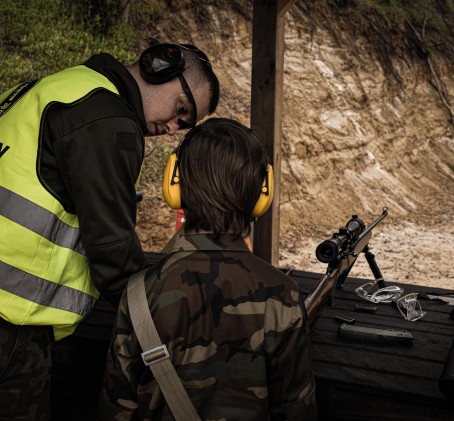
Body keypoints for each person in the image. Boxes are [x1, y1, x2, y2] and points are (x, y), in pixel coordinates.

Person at [0, 43, 219, 421]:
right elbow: (112, 246)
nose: (171, 127)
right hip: (8, 324)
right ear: (158, 67)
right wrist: (158, 322)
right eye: (180, 109)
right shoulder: (110, 121)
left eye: (184, 126)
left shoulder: (60, 87)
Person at [99, 118, 318, 420]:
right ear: (262, 192)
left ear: (174, 183)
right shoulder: (283, 295)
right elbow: (296, 411)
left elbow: (118, 410)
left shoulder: (140, 292)